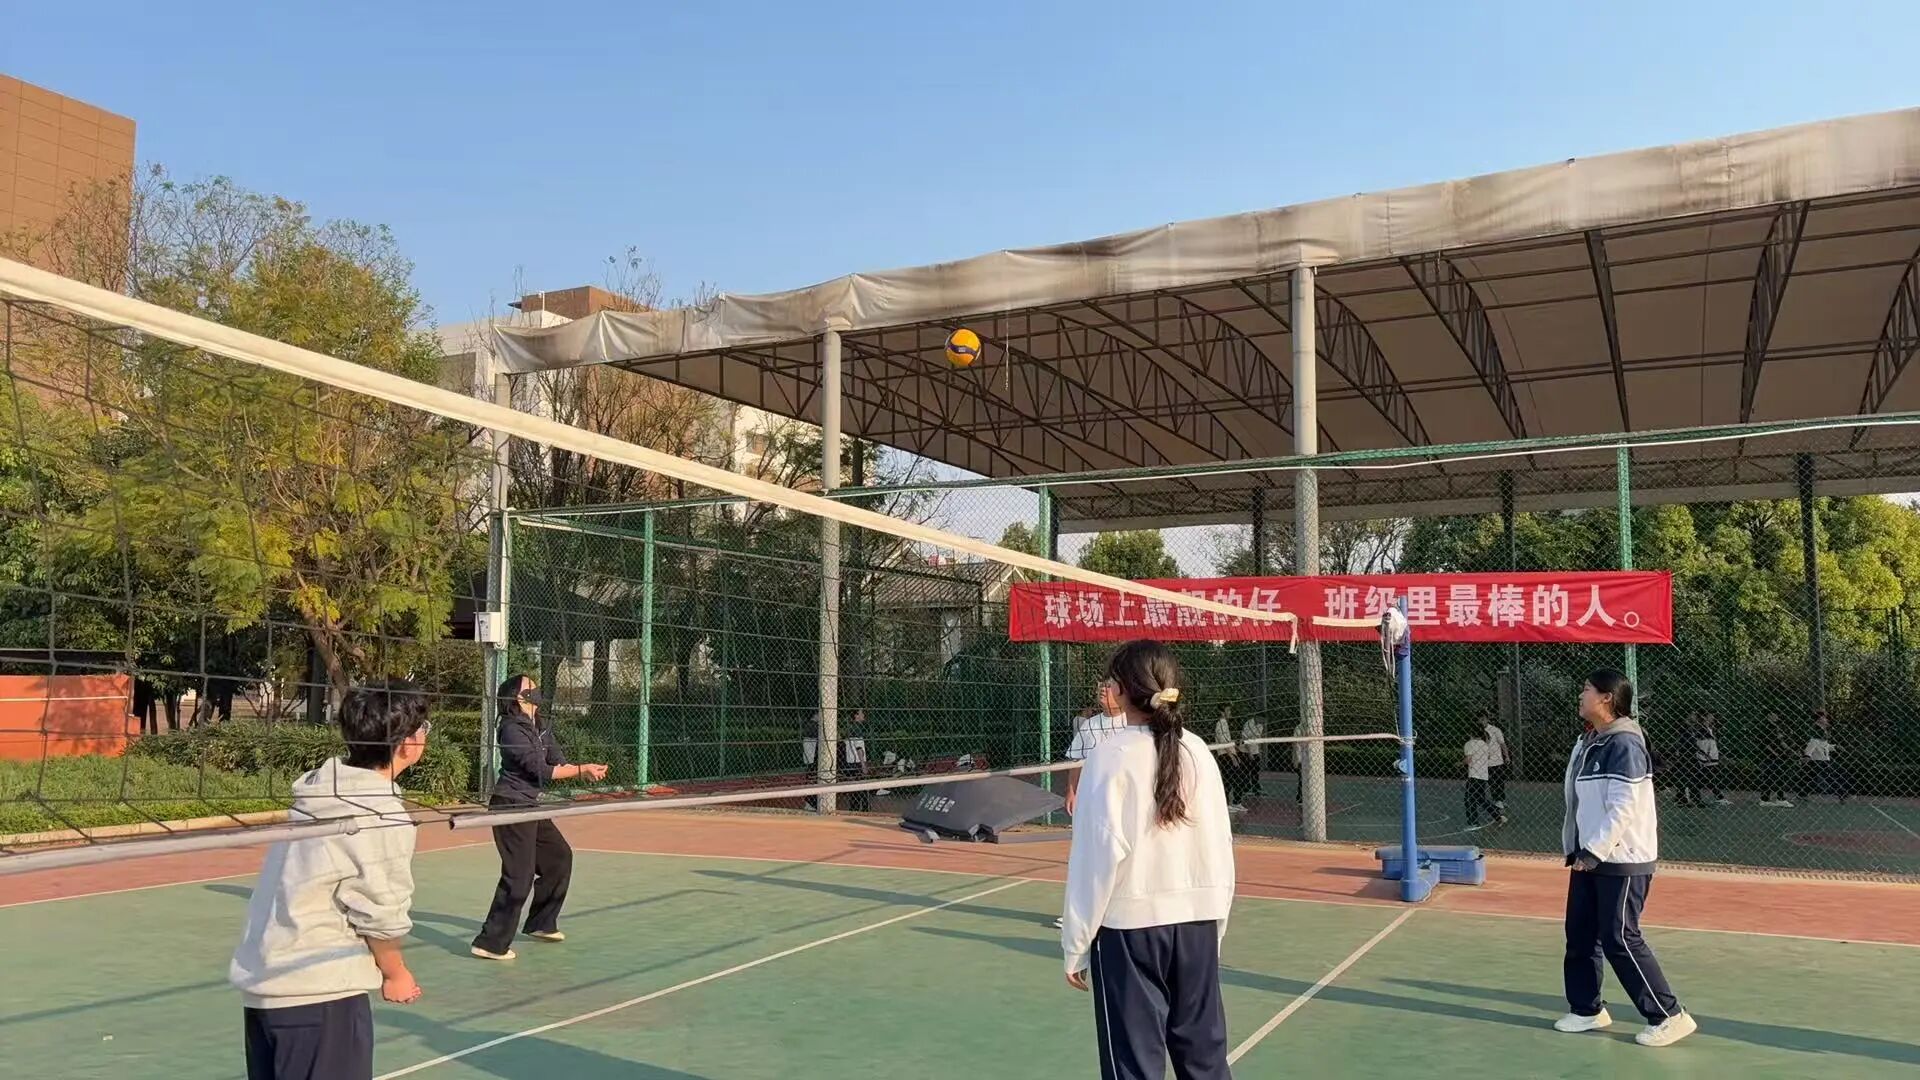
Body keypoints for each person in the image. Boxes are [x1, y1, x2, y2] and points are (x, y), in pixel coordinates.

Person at [229, 680, 432, 1080]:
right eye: (424, 728)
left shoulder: (320, 792)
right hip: (318, 994)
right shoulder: (381, 813)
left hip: (267, 990)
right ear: (407, 743)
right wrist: (395, 973)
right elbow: (379, 913)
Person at [1062, 641, 1235, 1080]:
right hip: (1197, 925)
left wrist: (1076, 945)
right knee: (1206, 1061)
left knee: (1133, 1067)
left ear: (1121, 690)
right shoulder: (1199, 751)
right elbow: (1220, 843)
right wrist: (1214, 924)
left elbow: (1094, 859)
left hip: (1130, 932)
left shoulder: (1108, 757)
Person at [1555, 668, 1695, 1048]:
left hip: (1622, 856)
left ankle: (1669, 1015)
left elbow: (1624, 806)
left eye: (1586, 689)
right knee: (1580, 934)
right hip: (1589, 854)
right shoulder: (1589, 741)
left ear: (1606, 698)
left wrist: (1595, 851)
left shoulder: (1625, 744)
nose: (1580, 695)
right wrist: (1581, 849)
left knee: (1619, 936)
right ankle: (1587, 1009)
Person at [471, 674, 609, 960]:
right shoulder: (511, 729)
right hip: (510, 806)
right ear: (518, 697)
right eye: (530, 688)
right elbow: (540, 770)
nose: (536, 690)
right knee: (518, 876)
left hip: (529, 805)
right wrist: (580, 769)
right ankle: (490, 943)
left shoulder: (541, 726)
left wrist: (584, 769)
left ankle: (541, 923)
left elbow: (557, 762)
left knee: (559, 857)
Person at [1054, 701, 1125, 929]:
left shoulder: (1132, 724)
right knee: (1084, 856)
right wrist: (1071, 791)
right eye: (1101, 685)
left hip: (1121, 802)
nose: (1103, 688)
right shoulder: (1089, 725)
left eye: (1109, 685)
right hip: (1091, 802)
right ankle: (1078, 914)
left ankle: (1116, 913)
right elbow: (1076, 760)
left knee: (1119, 859)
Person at [1801, 710, 1847, 803]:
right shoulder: (1816, 730)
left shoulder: (1822, 731)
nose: (1826, 719)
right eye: (1824, 717)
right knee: (1829, 776)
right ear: (1819, 719)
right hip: (1819, 760)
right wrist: (1807, 755)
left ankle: (1802, 793)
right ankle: (1841, 793)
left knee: (1810, 777)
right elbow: (1813, 743)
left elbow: (1824, 746)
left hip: (1821, 758)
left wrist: (1835, 747)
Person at [1758, 712, 1796, 807]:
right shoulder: (1767, 728)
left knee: (1776, 777)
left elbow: (1780, 741)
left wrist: (1788, 750)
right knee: (1772, 777)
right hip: (1771, 757)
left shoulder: (1776, 727)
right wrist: (1775, 753)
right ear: (1769, 716)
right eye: (1773, 715)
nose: (1776, 717)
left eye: (1776, 715)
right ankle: (1774, 799)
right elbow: (1765, 744)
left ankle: (1770, 798)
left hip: (1779, 756)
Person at [1463, 730, 1497, 831]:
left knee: (1469, 799)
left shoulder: (1470, 744)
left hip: (1474, 776)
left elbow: (1468, 759)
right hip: (1483, 775)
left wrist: (1461, 763)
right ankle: (1497, 815)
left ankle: (1473, 822)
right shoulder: (1485, 745)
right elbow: (1489, 756)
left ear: (1471, 734)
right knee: (1480, 799)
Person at [1482, 714, 1510, 814]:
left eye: (1483, 719)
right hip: (1485, 763)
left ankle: (1500, 799)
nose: (1481, 721)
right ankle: (1497, 800)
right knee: (1492, 783)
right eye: (1479, 720)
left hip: (1497, 761)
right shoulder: (1477, 731)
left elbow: (1502, 744)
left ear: (1487, 719)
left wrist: (1506, 756)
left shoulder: (1495, 730)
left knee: (1500, 781)